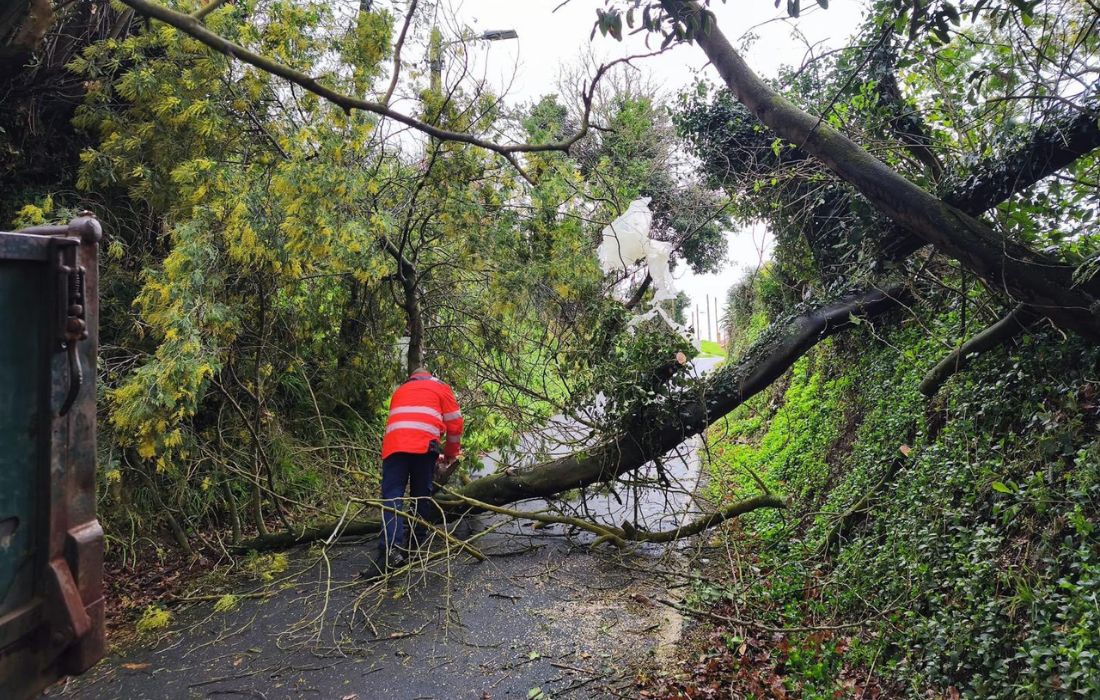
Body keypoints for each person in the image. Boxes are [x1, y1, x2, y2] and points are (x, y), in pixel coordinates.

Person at [362, 367, 463, 578]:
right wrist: (451, 454)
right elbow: (455, 424)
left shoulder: (400, 390)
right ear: (430, 376)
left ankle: (390, 552)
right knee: (420, 495)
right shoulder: (440, 388)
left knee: (392, 497)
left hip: (394, 447)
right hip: (423, 447)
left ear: (412, 378)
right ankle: (415, 544)